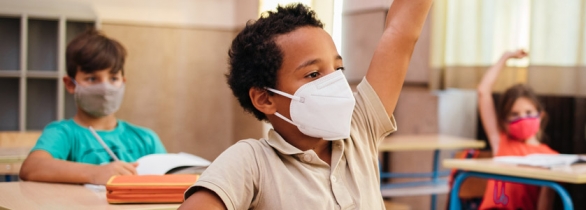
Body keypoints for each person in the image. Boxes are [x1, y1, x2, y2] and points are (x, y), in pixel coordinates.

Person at [179, 1, 432, 209]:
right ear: (265, 98)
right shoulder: (251, 161)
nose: (335, 81)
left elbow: (402, 31)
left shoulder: (360, 128)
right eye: (313, 74)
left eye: (338, 68)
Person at [19, 30, 166, 185]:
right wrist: (96, 173)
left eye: (113, 78)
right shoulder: (63, 134)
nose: (104, 87)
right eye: (92, 78)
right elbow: (31, 168)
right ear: (70, 84)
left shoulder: (146, 139)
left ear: (123, 82)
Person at [476, 50, 557, 210]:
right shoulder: (501, 142)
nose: (522, 118)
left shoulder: (551, 158)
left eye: (528, 113)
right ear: (504, 122)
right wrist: (505, 57)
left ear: (541, 116)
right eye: (514, 114)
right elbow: (483, 91)